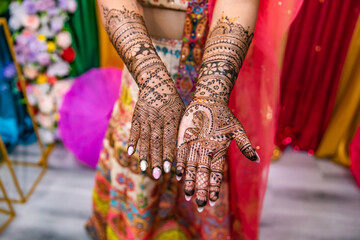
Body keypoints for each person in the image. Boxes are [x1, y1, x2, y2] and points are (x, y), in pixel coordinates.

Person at [86, 0, 291, 239]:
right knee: (142, 164)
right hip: (141, 70)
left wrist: (211, 95)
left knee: (202, 167)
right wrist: (151, 78)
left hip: (213, 66)